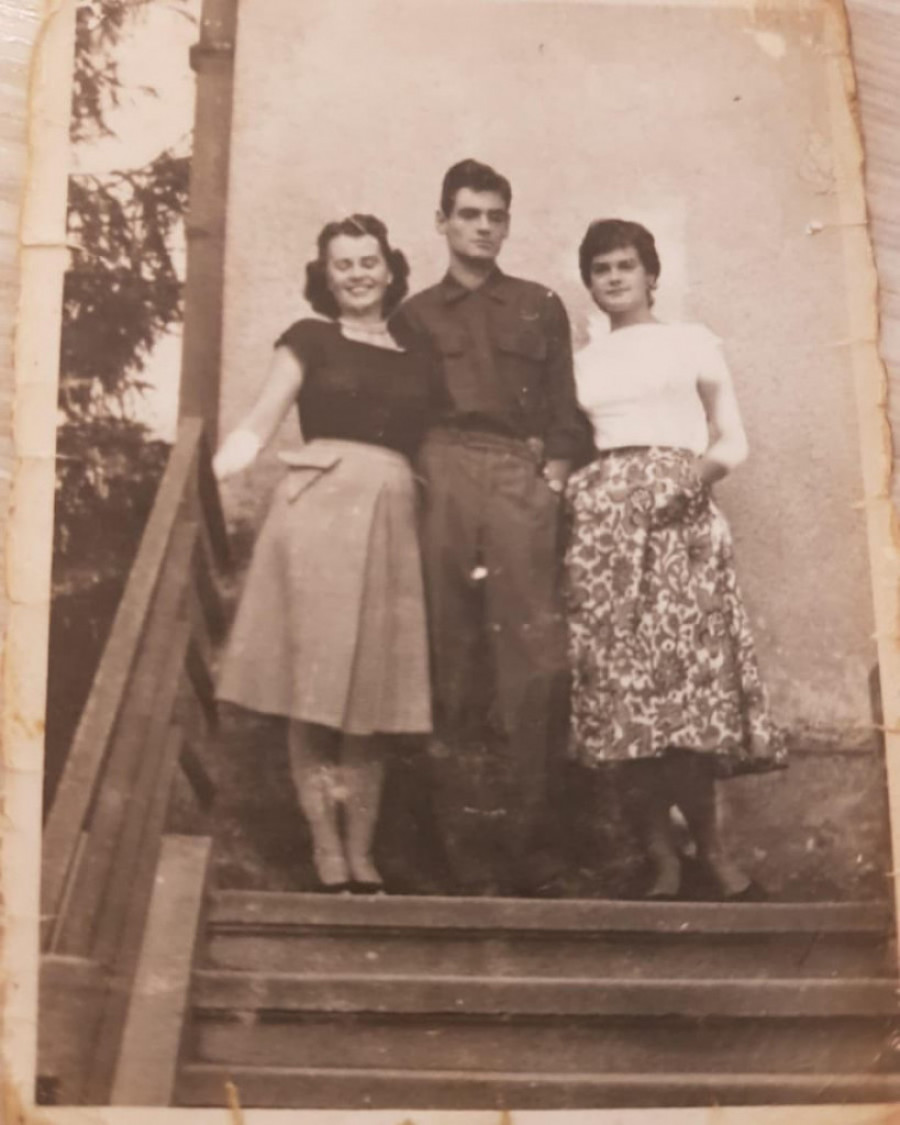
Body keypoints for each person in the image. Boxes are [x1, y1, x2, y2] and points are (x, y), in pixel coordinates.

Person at [213, 214, 438, 894]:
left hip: (391, 513)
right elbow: (259, 423)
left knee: (372, 694)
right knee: (313, 689)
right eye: (344, 264)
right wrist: (212, 476)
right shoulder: (309, 338)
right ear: (326, 275)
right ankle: (325, 847)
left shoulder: (418, 353)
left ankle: (361, 852)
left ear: (390, 270)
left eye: (369, 261)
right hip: (318, 514)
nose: (358, 274)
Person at [565, 218, 787, 901]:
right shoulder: (581, 362)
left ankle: (713, 854)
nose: (613, 278)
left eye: (625, 265)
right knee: (627, 700)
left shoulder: (691, 342)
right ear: (590, 281)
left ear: (651, 274)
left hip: (681, 523)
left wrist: (681, 485)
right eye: (601, 268)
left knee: (688, 698)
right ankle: (661, 859)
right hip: (606, 535)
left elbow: (732, 441)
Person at [391, 159, 587, 895]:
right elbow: (397, 413)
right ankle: (447, 854)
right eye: (468, 214)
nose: (481, 227)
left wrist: (551, 483)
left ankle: (534, 849)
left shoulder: (540, 305)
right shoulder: (413, 316)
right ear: (442, 221)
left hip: (515, 474)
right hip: (440, 469)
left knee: (535, 662)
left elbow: (565, 411)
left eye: (494, 216)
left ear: (507, 224)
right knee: (445, 656)